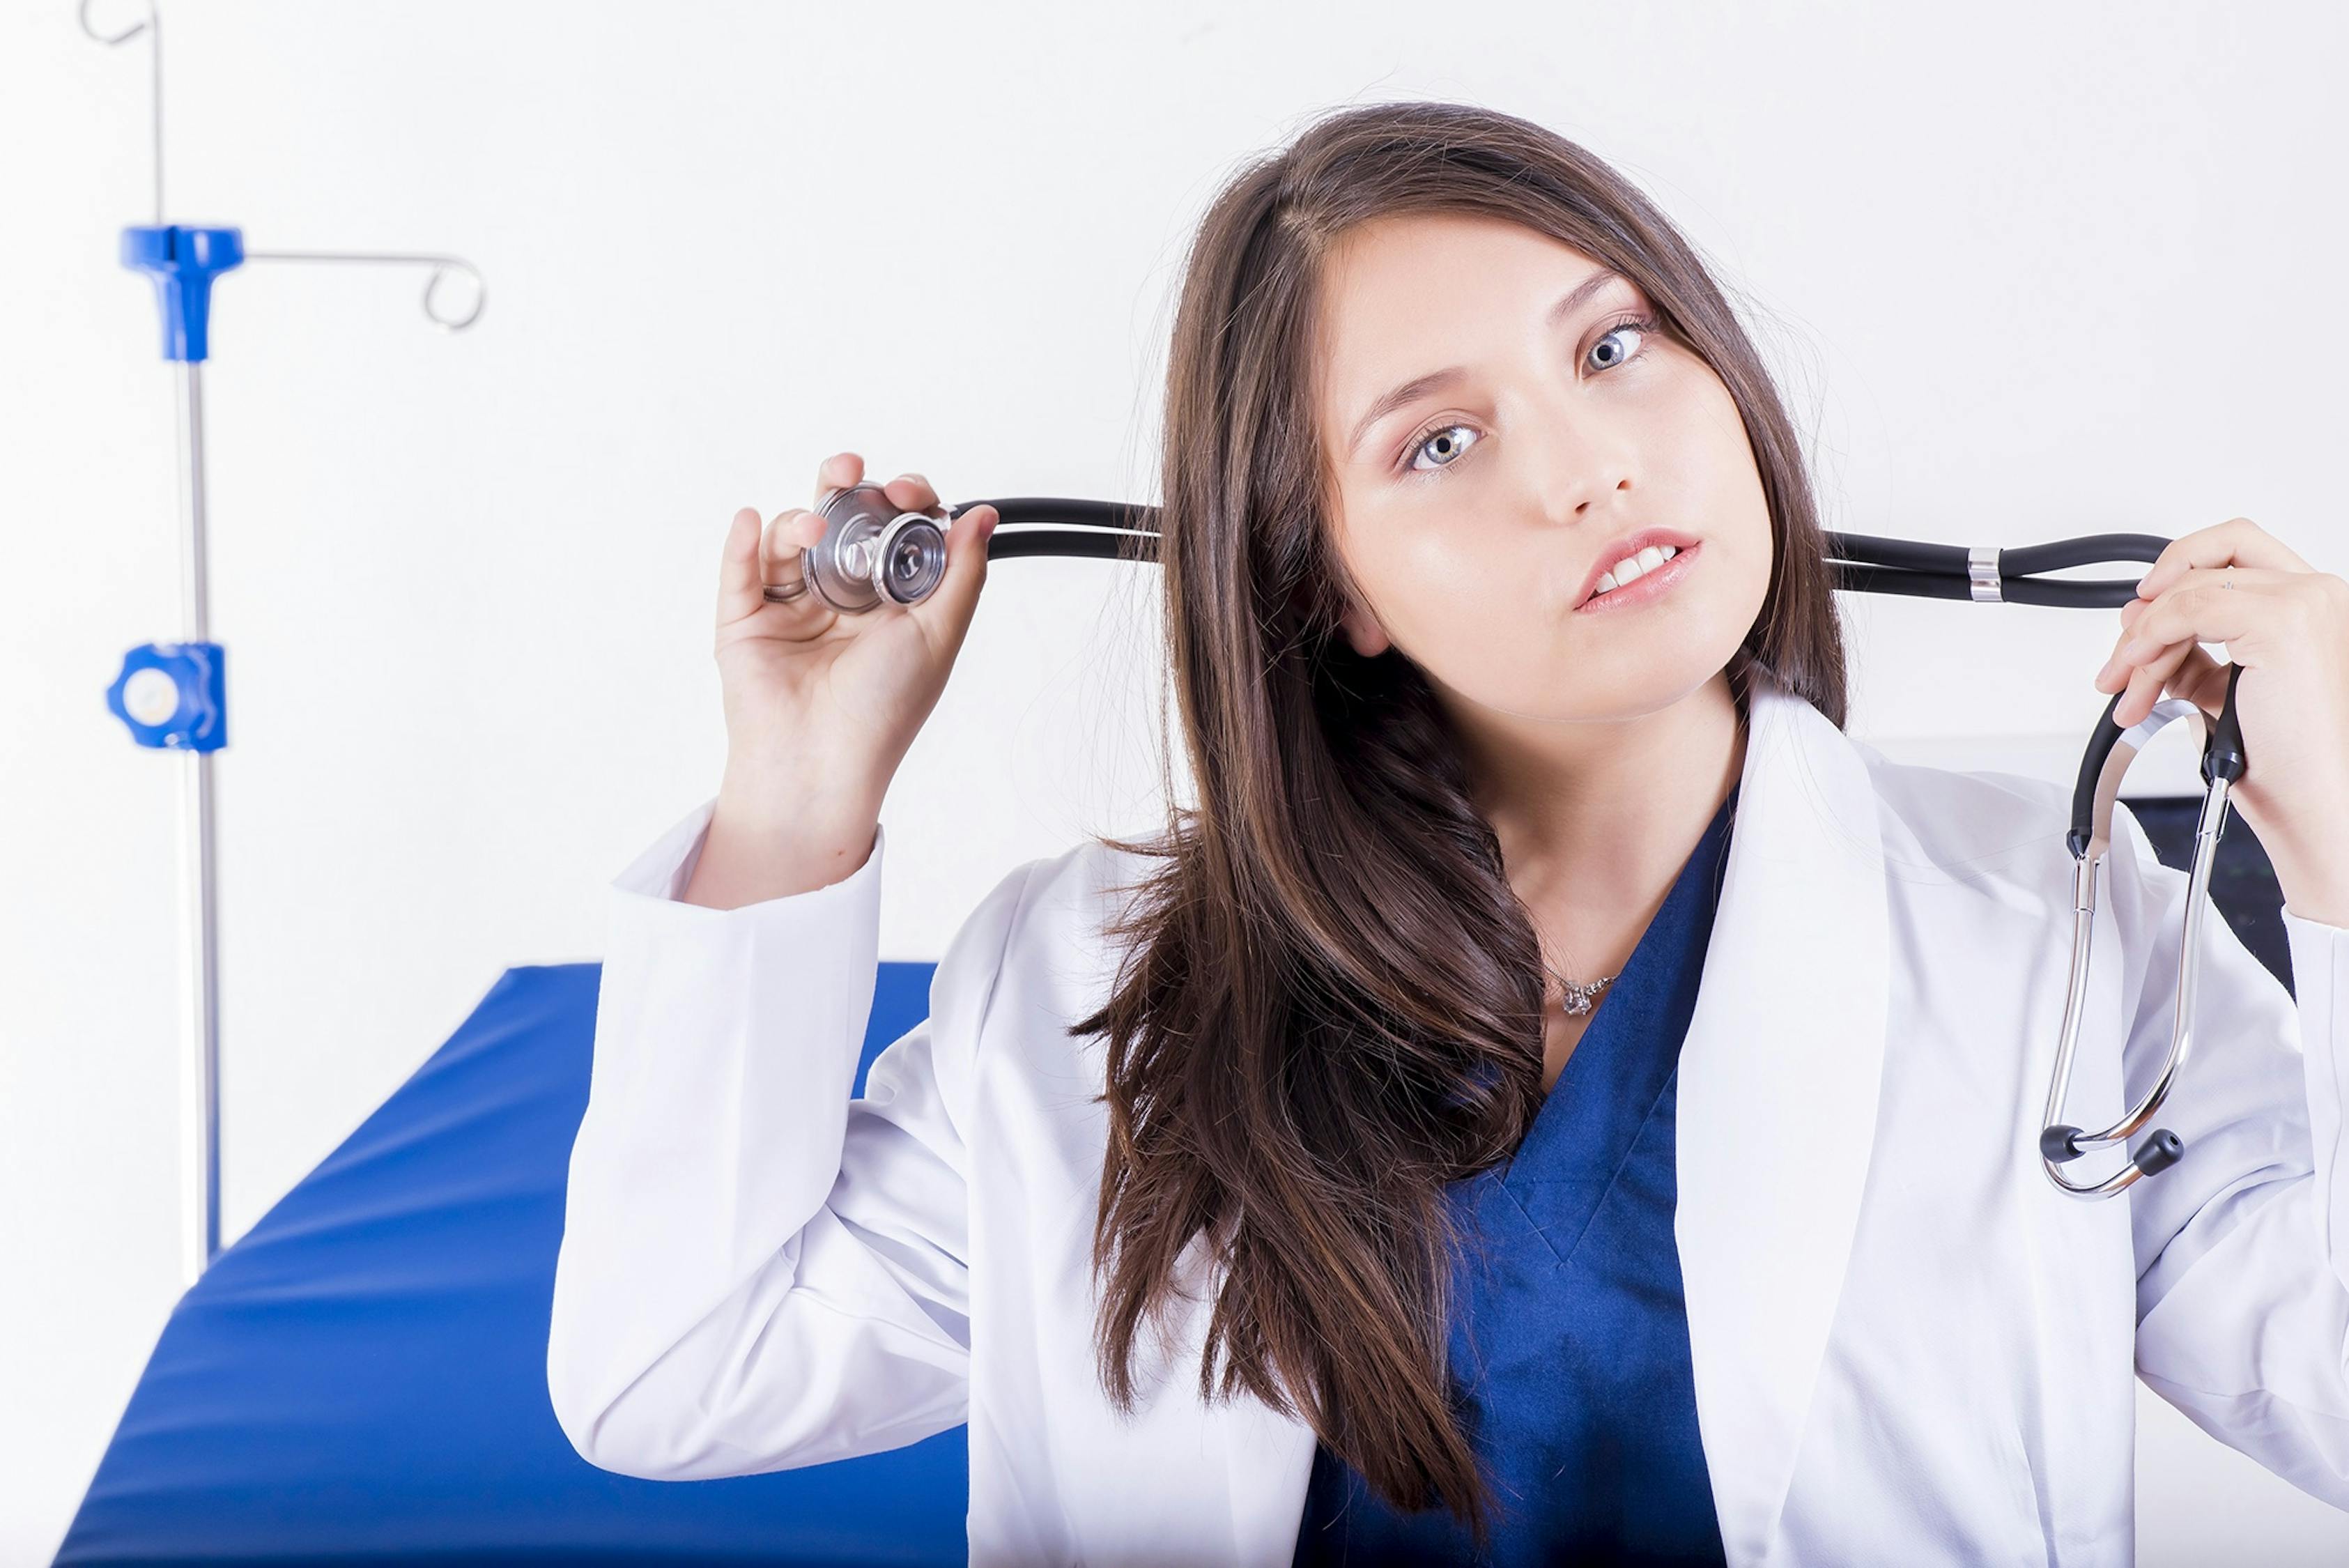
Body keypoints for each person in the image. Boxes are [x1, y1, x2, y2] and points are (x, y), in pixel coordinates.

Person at [547, 99, 2349, 1566]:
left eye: (1615, 345)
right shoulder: (1086, 984)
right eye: (1437, 443)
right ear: (1327, 586)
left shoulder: (2042, 921)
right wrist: (797, 790)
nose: (1585, 464)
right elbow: (675, 1376)